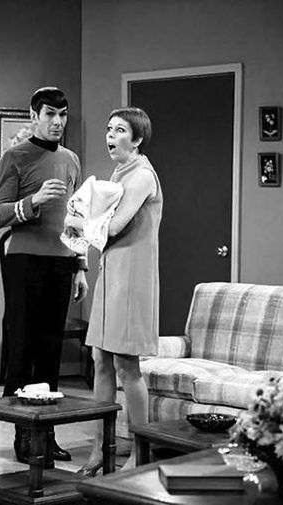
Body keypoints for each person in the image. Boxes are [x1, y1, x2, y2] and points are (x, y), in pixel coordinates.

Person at [0, 87, 88, 465]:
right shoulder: (14, 157)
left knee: (50, 350)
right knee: (24, 347)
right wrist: (33, 202)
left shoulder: (71, 159)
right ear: (34, 116)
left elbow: (76, 218)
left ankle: (46, 435)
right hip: (24, 262)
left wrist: (80, 267)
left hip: (60, 263)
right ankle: (22, 434)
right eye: (50, 114)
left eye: (63, 115)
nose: (58, 122)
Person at [76, 107, 163, 476]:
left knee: (127, 365)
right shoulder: (119, 173)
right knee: (100, 359)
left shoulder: (142, 176)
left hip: (132, 277)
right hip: (112, 272)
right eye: (109, 129)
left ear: (137, 138)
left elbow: (114, 226)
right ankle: (100, 448)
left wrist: (79, 218)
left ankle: (140, 453)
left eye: (120, 130)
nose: (110, 136)